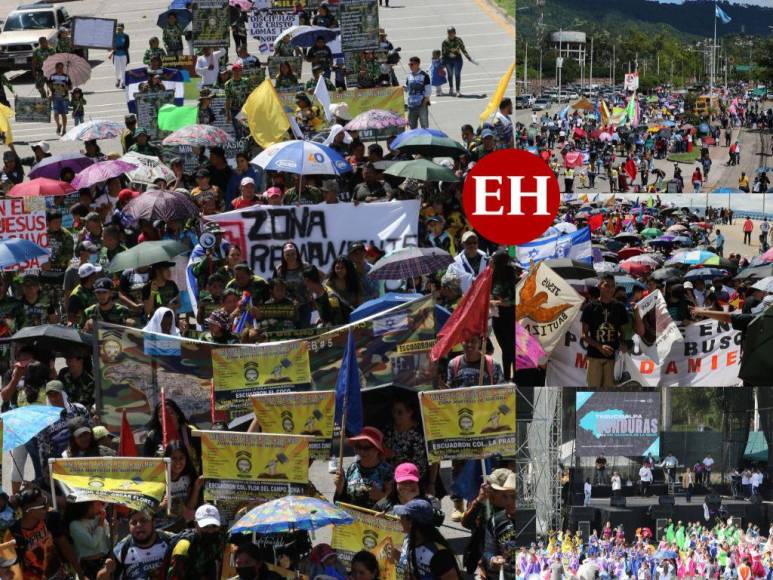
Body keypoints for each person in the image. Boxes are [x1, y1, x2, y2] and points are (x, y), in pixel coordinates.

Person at [4, 487, 83, 579]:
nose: (47, 507)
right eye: (42, 505)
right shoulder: (12, 534)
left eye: (46, 502)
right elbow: (13, 568)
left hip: (59, 575)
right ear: (28, 510)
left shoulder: (49, 519)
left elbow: (65, 546)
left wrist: (80, 573)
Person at [581, 273, 630, 389]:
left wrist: (622, 343)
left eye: (613, 286)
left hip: (613, 358)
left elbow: (624, 333)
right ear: (599, 286)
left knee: (609, 394)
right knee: (592, 392)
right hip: (594, 357)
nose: (610, 289)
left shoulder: (619, 307)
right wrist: (599, 347)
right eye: (607, 285)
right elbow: (584, 335)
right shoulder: (589, 308)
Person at [98, 508, 173, 580]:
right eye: (134, 523)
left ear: (153, 523)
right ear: (129, 526)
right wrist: (106, 571)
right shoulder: (121, 550)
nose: (138, 525)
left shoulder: (170, 540)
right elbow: (101, 577)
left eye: (144, 520)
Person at [394, 499, 459, 580]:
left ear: (411, 522)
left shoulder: (439, 555)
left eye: (402, 516)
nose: (399, 519)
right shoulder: (408, 539)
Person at [334, 427, 394, 511]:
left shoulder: (387, 471)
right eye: (359, 447)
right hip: (352, 520)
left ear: (378, 449)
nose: (362, 451)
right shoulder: (352, 468)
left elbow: (395, 504)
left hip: (376, 522)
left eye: (367, 448)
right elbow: (339, 503)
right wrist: (339, 488)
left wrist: (382, 497)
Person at [165, 504, 225, 579]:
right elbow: (174, 576)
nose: (210, 531)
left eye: (214, 526)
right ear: (196, 524)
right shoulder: (184, 546)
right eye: (205, 527)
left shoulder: (218, 540)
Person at [481, 470, 516, 580]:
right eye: (505, 496)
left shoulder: (532, 520)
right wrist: (492, 559)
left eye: (514, 497)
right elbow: (488, 551)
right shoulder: (495, 521)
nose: (509, 501)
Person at [67, 500, 110, 579]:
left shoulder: (99, 517)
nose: (101, 506)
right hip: (89, 566)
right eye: (98, 503)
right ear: (88, 506)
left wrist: (113, 529)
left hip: (105, 561)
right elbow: (93, 543)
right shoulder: (75, 525)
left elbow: (107, 540)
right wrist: (100, 523)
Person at [441, 27, 473, 97]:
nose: (450, 34)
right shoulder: (445, 42)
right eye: (449, 33)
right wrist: (443, 63)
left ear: (455, 33)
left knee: (457, 74)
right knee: (450, 74)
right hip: (448, 60)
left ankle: (458, 90)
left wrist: (468, 57)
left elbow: (463, 49)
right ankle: (451, 88)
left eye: (452, 33)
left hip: (457, 60)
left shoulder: (459, 40)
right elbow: (443, 53)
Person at [404, 56, 431, 130]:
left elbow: (428, 91)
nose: (410, 66)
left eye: (412, 64)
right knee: (412, 127)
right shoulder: (409, 76)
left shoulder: (424, 75)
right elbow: (407, 88)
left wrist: (424, 102)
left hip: (421, 105)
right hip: (411, 106)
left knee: (424, 126)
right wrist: (402, 88)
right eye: (409, 65)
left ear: (417, 64)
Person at [48, 61, 72, 136]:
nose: (60, 69)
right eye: (59, 68)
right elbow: (49, 86)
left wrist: (66, 87)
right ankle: (58, 125)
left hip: (64, 97)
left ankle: (64, 129)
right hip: (55, 97)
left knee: (63, 114)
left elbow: (70, 87)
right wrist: (50, 93)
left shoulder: (66, 77)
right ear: (56, 68)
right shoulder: (52, 76)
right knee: (56, 113)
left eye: (62, 68)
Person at [111, 24, 130, 89]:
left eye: (121, 28)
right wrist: (113, 49)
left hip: (123, 55)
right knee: (117, 69)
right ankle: (118, 79)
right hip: (116, 55)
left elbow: (126, 46)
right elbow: (111, 45)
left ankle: (123, 83)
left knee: (123, 69)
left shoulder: (126, 36)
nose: (119, 30)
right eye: (118, 28)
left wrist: (118, 48)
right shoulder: (114, 36)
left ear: (123, 28)